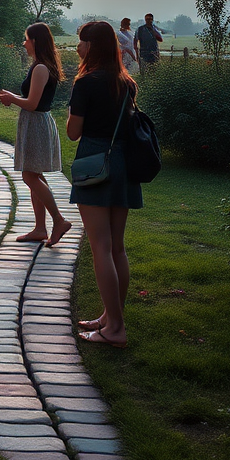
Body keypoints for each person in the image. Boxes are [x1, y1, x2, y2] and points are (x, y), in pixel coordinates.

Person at [67, 20, 142, 349]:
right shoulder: (125, 81)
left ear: (92, 45)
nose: (78, 47)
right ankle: (111, 317)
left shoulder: (85, 82)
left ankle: (115, 329)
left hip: (95, 164)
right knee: (116, 247)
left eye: (81, 42)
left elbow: (73, 132)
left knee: (99, 246)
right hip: (123, 164)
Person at [0, 22, 73, 246]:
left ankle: (58, 220)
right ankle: (40, 228)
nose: (24, 43)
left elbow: (32, 103)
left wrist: (12, 99)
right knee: (34, 175)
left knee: (29, 176)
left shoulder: (41, 68)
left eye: (26, 39)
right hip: (35, 122)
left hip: (37, 123)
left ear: (35, 41)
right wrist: (13, 96)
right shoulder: (41, 66)